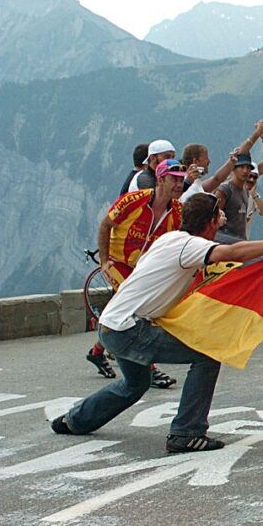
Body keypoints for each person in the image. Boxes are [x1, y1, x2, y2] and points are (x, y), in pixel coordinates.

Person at [52, 193, 263, 452]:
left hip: (111, 324)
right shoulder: (190, 246)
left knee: (134, 384)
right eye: (218, 218)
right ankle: (186, 433)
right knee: (207, 355)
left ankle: (74, 420)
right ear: (211, 222)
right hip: (130, 328)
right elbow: (233, 252)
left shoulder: (169, 239)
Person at [87, 158, 188, 388]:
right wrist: (104, 261)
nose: (179, 185)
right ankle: (149, 368)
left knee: (127, 310)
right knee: (138, 308)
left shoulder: (178, 211)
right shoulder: (133, 201)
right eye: (174, 179)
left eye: (181, 180)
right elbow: (105, 226)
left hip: (144, 268)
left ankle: (96, 351)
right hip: (119, 262)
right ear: (160, 180)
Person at [243, 168, 263, 238]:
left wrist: (254, 195)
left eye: (255, 177)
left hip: (242, 241)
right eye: (250, 176)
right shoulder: (230, 191)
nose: (251, 180)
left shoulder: (253, 196)